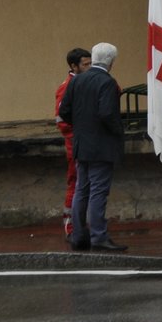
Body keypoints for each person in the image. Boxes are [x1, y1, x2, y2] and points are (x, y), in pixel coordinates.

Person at [58, 41, 126, 251]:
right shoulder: (107, 82)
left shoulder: (76, 80)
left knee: (82, 189)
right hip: (101, 145)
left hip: (80, 143)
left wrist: (81, 126)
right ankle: (98, 235)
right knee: (98, 191)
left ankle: (78, 235)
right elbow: (107, 113)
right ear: (111, 61)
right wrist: (118, 131)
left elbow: (65, 111)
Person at [54, 47, 91, 236]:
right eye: (85, 64)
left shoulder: (82, 82)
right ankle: (70, 224)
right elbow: (61, 120)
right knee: (76, 182)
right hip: (75, 142)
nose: (89, 67)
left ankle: (80, 222)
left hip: (82, 140)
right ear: (73, 66)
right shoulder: (67, 87)